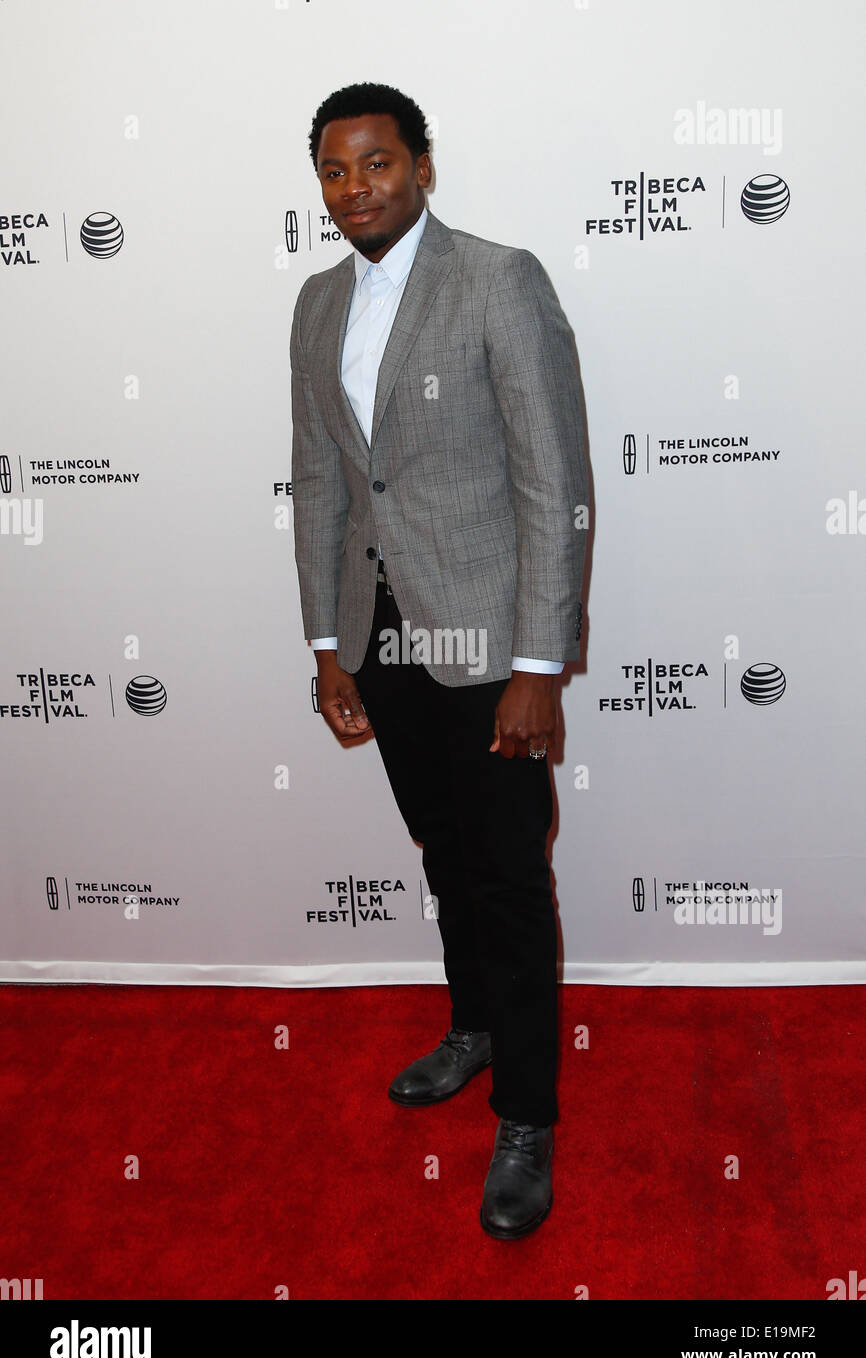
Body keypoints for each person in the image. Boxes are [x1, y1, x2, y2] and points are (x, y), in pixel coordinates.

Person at [291, 82, 589, 1239]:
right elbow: (320, 480)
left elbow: (552, 484)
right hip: (380, 637)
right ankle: (472, 1025)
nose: (354, 187)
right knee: (443, 851)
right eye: (332, 170)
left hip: (484, 645)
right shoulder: (317, 306)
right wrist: (326, 646)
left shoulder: (495, 281)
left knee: (509, 875)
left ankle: (526, 1112)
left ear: (421, 164)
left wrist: (535, 665)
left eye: (375, 163)